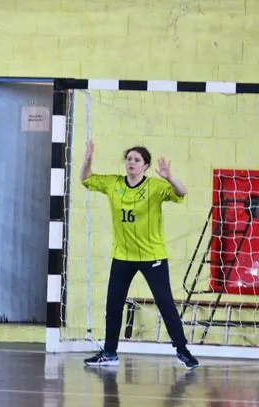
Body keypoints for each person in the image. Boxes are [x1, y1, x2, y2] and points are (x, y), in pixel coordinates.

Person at [80, 141, 199, 370]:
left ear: (145, 166)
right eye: (129, 159)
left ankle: (182, 351)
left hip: (152, 255)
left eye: (136, 160)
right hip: (122, 255)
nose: (131, 162)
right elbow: (85, 179)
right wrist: (87, 160)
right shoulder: (113, 183)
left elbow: (182, 192)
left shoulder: (154, 186)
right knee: (113, 304)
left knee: (165, 304)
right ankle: (109, 352)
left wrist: (169, 177)